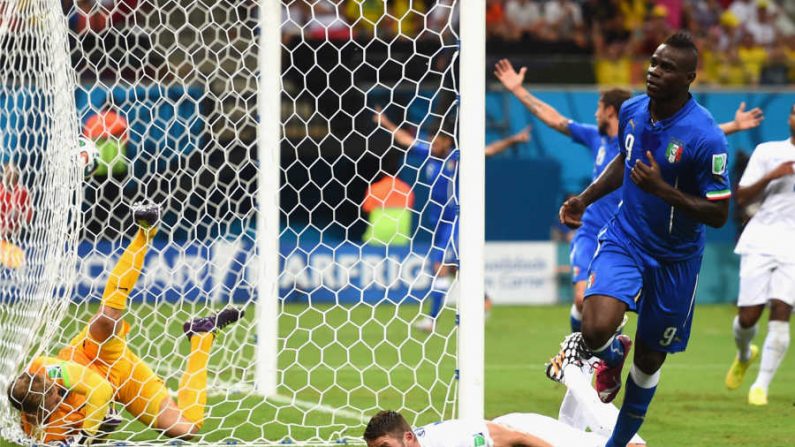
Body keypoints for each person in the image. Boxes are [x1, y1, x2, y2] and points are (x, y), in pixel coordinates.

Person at [549, 31, 731, 447]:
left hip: (677, 260)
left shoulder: (706, 137)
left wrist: (663, 191)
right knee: (594, 328)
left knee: (649, 361)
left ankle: (617, 443)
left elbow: (719, 213)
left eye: (666, 67)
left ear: (689, 77)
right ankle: (609, 351)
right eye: (653, 62)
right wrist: (585, 197)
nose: (654, 71)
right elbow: (624, 159)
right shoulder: (631, 109)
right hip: (626, 239)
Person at [494, 58, 762, 334]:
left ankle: (602, 353)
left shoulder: (646, 139)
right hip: (592, 231)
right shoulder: (594, 138)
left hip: (629, 234)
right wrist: (518, 91)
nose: (596, 114)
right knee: (581, 299)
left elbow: (690, 137)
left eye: (599, 108)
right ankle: (581, 356)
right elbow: (555, 119)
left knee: (613, 311)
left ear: (610, 111)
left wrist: (733, 125)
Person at [7, 203, 244, 444]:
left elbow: (101, 390)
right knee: (186, 429)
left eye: (54, 390)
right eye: (53, 399)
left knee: (107, 319)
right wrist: (99, 432)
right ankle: (201, 335)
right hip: (124, 383)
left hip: (97, 356)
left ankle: (146, 231)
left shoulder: (47, 370)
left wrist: (86, 436)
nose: (57, 394)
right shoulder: (42, 434)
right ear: (36, 414)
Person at [373, 108, 528, 331]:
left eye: (436, 142)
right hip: (438, 222)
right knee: (457, 269)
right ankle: (484, 300)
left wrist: (514, 139)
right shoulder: (428, 153)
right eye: (430, 141)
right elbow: (405, 140)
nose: (432, 145)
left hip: (456, 221)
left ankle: (431, 320)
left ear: (447, 141)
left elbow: (490, 150)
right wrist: (386, 122)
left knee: (440, 267)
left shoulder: (457, 158)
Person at [362, 352, 646, 447]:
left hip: (520, 433)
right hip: (507, 435)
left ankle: (571, 369)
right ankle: (582, 366)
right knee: (572, 432)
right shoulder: (416, 444)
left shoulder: (451, 441)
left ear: (409, 438)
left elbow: (514, 439)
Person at [724, 104, 795, 406]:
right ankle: (744, 354)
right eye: (793, 112)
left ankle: (761, 386)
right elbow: (741, 197)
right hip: (761, 239)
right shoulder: (768, 151)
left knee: (782, 312)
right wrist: (772, 176)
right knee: (748, 317)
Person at [0, 163, 32, 268]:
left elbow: (29, 219)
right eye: (7, 172)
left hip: (16, 235)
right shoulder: (1, 191)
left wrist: (19, 216)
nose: (9, 175)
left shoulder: (23, 193)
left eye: (12, 172)